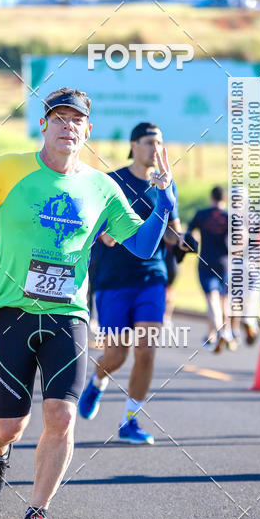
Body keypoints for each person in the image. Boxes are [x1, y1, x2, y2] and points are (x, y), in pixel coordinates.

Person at [0, 88, 175, 519]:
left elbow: (142, 246)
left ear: (88, 129)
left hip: (68, 315)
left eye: (76, 119)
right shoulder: (9, 169)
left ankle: (37, 514)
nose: (68, 125)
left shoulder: (103, 187)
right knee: (11, 424)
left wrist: (164, 200)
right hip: (12, 311)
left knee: (62, 415)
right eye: (58, 117)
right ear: (44, 125)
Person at [78, 122, 184, 444]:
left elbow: (172, 232)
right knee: (116, 355)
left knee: (147, 350)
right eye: (150, 142)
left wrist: (183, 240)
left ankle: (130, 421)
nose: (156, 149)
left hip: (152, 276)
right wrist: (107, 233)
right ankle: (98, 380)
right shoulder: (113, 182)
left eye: (160, 142)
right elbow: (99, 230)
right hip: (113, 281)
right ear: (133, 145)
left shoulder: (166, 183)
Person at [187, 186, 235, 352]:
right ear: (225, 199)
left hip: (206, 261)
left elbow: (189, 234)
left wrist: (195, 242)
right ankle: (227, 331)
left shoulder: (201, 214)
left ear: (211, 198)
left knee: (212, 298)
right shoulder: (229, 216)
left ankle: (219, 332)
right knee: (225, 299)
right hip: (226, 262)